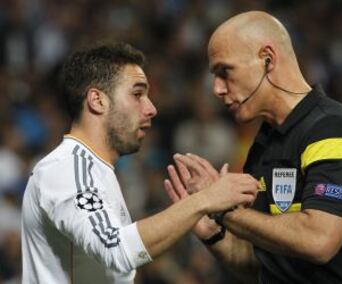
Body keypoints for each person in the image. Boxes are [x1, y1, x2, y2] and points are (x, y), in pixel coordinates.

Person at [21, 42, 259, 283]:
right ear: (97, 100)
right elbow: (116, 249)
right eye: (137, 94)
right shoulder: (69, 168)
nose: (152, 108)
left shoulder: (92, 169)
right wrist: (204, 201)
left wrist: (195, 216)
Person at [165, 11, 342, 283]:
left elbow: (319, 240)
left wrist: (223, 210)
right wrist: (213, 232)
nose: (217, 89)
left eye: (225, 71)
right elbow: (260, 265)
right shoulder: (263, 145)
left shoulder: (333, 128)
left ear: (267, 59)